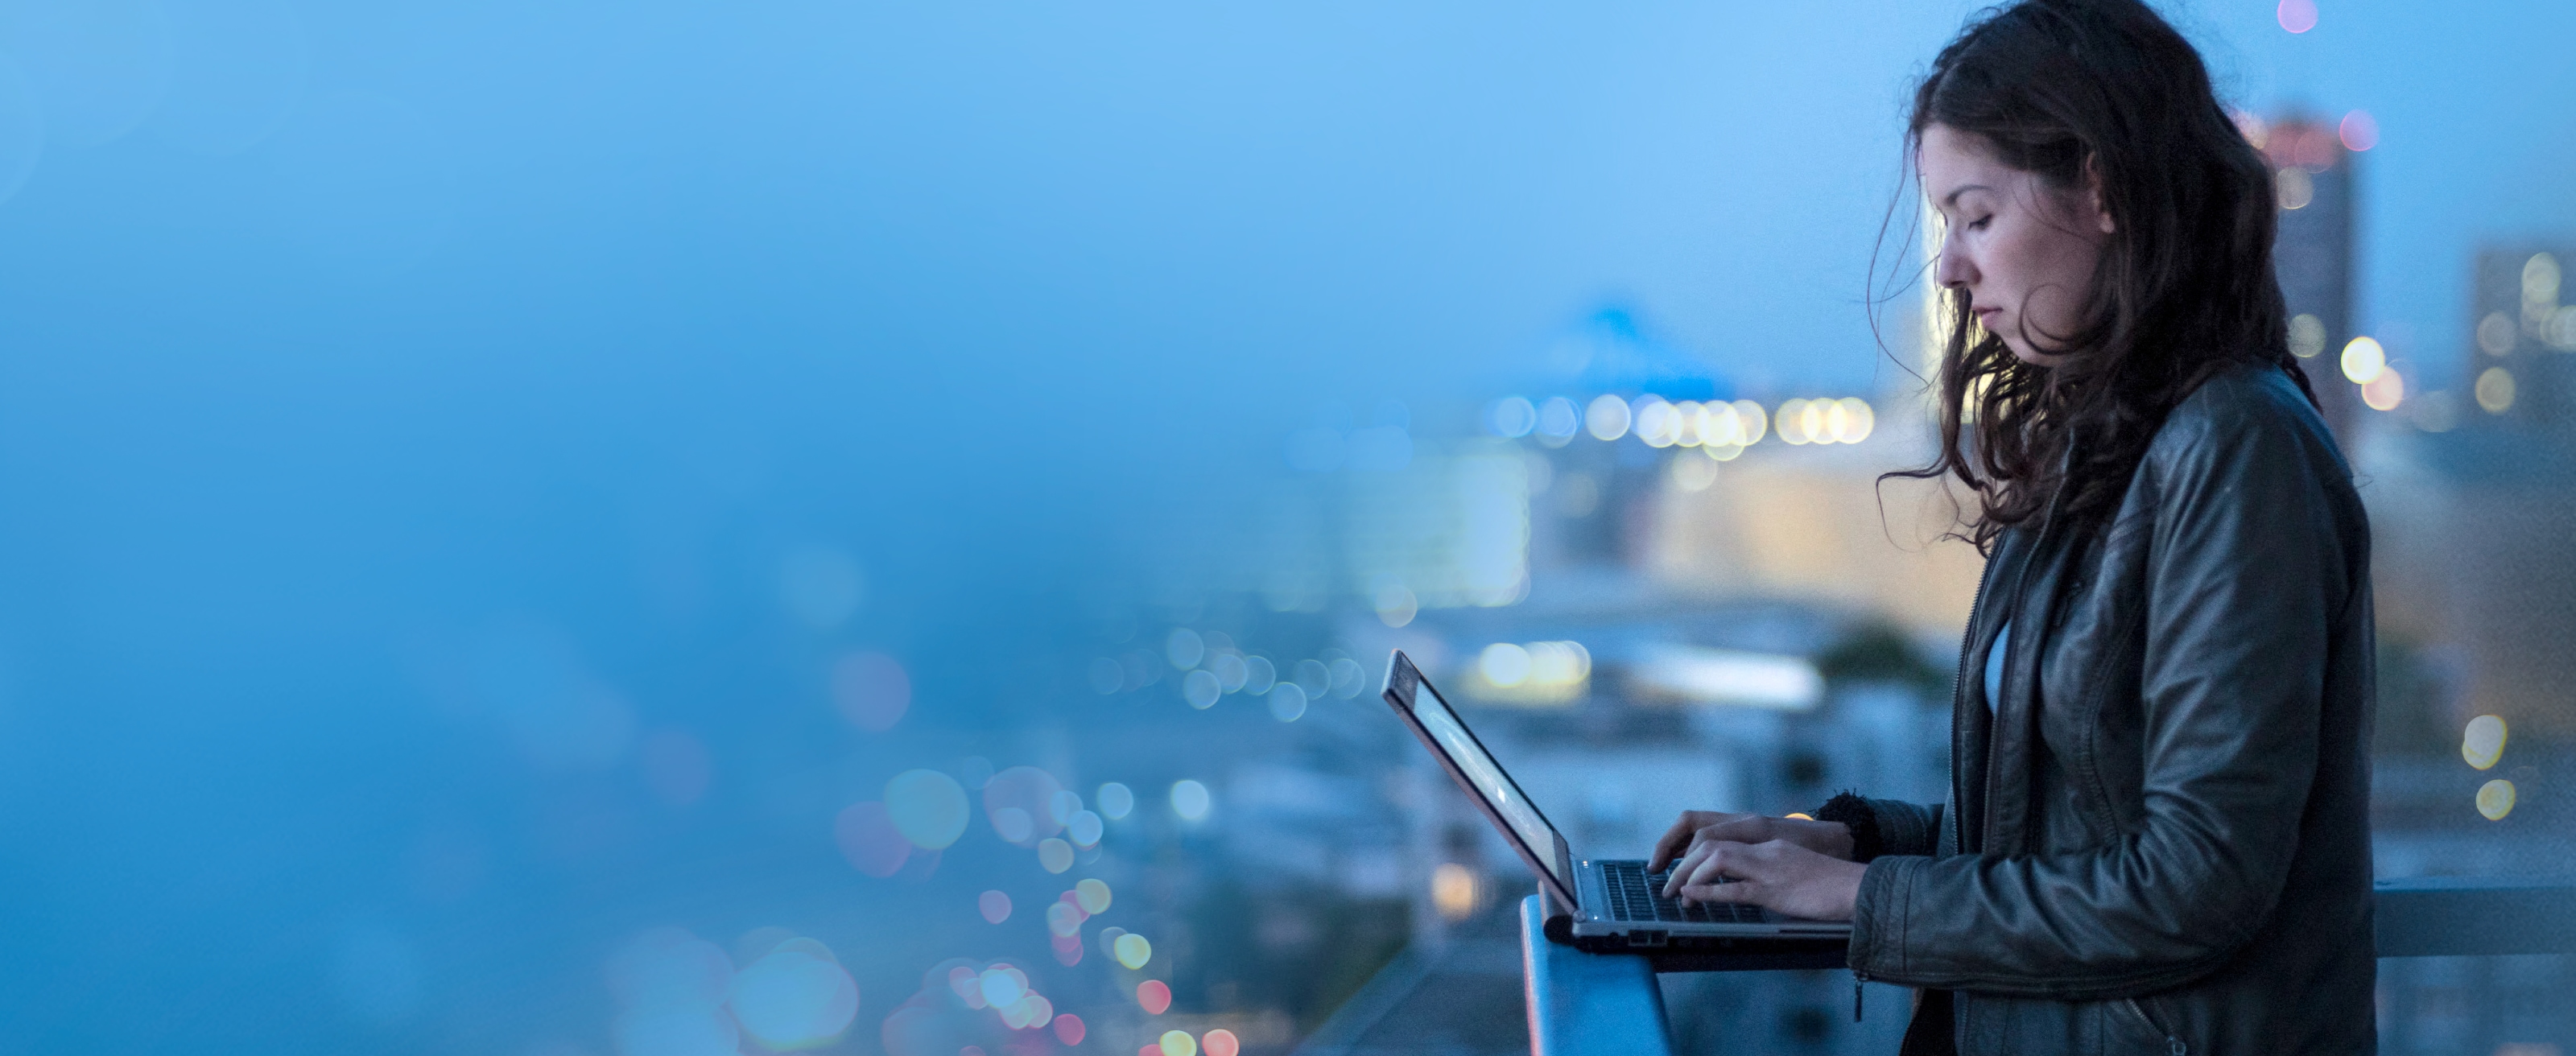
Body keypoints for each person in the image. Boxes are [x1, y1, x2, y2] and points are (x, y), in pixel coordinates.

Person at [1644, 1, 2376, 1052]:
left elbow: (2197, 883)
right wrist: (1839, 843)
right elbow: (2065, 834)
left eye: (1975, 216)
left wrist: (1858, 900)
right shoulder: (2108, 447)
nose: (1947, 267)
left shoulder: (2236, 449)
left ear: (2103, 188)